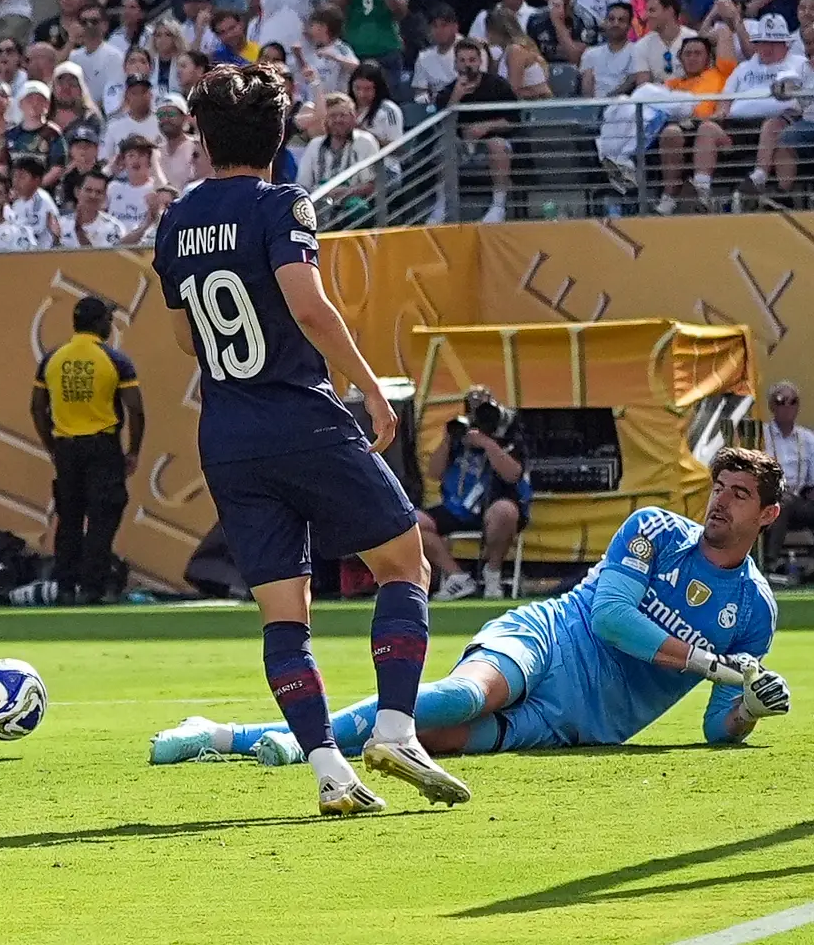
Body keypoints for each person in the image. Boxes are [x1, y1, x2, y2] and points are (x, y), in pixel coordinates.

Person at [149, 63, 465, 817]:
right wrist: (363, 384)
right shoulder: (280, 203)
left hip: (225, 432)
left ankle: (329, 771)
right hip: (299, 415)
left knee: (283, 613)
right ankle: (393, 728)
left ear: (201, 134)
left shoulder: (176, 219)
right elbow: (309, 305)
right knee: (402, 562)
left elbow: (186, 342)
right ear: (280, 133)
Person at [156, 449, 787, 764]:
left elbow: (715, 728)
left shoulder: (755, 611)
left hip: (580, 723)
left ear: (767, 515)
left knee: (447, 738)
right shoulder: (655, 530)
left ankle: (264, 742)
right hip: (550, 638)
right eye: (719, 488)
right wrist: (708, 663)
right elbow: (610, 617)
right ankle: (230, 736)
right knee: (463, 697)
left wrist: (747, 711)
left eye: (740, 495)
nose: (721, 503)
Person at [31, 298, 144, 606]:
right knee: (102, 517)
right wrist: (133, 451)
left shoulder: (53, 359)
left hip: (66, 449)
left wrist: (52, 446)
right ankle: (92, 588)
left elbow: (37, 408)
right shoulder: (115, 361)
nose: (110, 324)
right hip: (102, 447)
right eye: (108, 319)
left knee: (68, 518)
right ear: (99, 324)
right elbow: (135, 409)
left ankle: (65, 585)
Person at [419, 387, 532, 601]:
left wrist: (487, 444)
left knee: (505, 511)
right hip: (458, 507)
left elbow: (513, 475)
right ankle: (457, 577)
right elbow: (434, 473)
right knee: (411, 524)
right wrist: (448, 439)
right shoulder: (459, 436)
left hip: (496, 504)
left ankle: (493, 573)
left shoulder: (509, 436)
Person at [760, 382, 814, 569]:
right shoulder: (762, 435)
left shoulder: (807, 438)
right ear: (772, 406)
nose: (787, 406)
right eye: (781, 401)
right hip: (768, 498)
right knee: (781, 505)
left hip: (798, 499)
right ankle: (770, 563)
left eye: (793, 401)